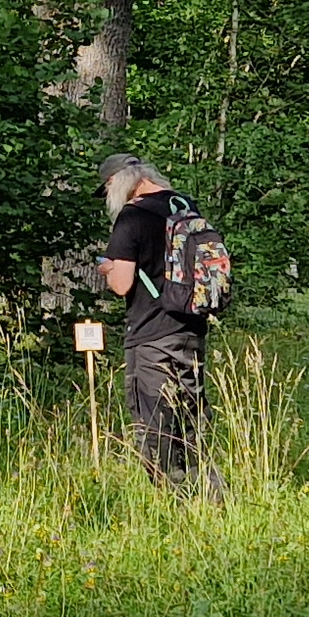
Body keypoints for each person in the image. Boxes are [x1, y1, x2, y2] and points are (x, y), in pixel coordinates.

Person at [98, 154, 218, 498]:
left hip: (150, 334)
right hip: (190, 328)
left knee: (154, 423)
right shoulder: (184, 206)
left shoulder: (132, 216)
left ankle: (172, 500)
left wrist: (107, 269)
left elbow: (121, 284)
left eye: (108, 187)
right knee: (191, 418)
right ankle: (212, 496)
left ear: (121, 181)